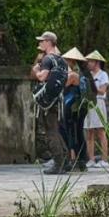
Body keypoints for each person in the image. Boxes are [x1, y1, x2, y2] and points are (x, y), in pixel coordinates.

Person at [30, 31, 71, 174]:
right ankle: (65, 161)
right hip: (58, 99)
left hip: (48, 102)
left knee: (50, 131)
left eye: (42, 41)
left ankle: (58, 163)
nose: (40, 43)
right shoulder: (63, 61)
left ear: (48, 42)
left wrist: (36, 70)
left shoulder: (47, 59)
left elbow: (42, 77)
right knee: (56, 129)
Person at [60, 47, 89, 171]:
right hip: (80, 106)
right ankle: (81, 159)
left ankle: (74, 159)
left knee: (71, 132)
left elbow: (61, 86)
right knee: (78, 132)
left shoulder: (72, 75)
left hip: (72, 107)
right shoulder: (83, 74)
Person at [84, 50, 109, 167]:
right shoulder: (88, 75)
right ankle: (91, 159)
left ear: (96, 62)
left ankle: (104, 159)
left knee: (100, 131)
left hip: (98, 102)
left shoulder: (103, 75)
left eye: (90, 61)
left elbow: (103, 90)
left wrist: (92, 87)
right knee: (89, 132)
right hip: (88, 103)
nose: (88, 63)